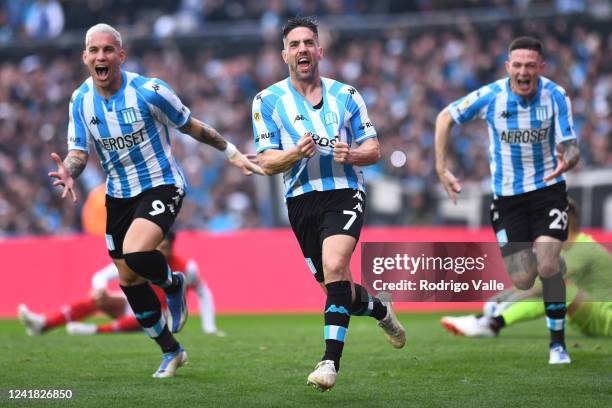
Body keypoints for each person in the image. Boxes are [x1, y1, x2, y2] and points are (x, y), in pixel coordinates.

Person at [49, 23, 262, 378]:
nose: (101, 56)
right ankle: (171, 350)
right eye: (94, 51)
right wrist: (71, 170)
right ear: (85, 57)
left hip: (161, 185)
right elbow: (78, 151)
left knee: (136, 252)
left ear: (121, 55)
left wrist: (231, 152)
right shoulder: (80, 100)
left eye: (107, 50)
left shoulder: (150, 92)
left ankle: (172, 284)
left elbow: (191, 126)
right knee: (129, 280)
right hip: (118, 195)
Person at [251, 16, 405, 392]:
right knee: (339, 292)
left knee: (336, 266)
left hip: (343, 191)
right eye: (295, 44)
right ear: (284, 54)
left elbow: (374, 149)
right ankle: (380, 309)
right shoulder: (267, 100)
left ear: (319, 51)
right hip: (301, 201)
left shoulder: (347, 95)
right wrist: (293, 154)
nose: (302, 49)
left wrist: (351, 154)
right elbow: (266, 162)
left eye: (309, 43)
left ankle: (329, 363)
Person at [435, 36, 580, 364]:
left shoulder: (556, 96)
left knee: (546, 265)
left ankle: (557, 345)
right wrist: (441, 169)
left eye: (531, 65)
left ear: (540, 68)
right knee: (523, 278)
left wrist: (568, 159)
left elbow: (571, 145)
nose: (524, 71)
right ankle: (552, 266)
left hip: (548, 192)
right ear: (507, 67)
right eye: (518, 65)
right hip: (508, 199)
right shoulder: (491, 97)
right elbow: (445, 117)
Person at [441, 200, 612, 338]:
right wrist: (505, 297)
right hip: (591, 320)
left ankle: (491, 323)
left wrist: (504, 300)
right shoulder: (570, 248)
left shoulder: (585, 248)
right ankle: (488, 321)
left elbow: (541, 284)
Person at [18, 231, 224, 337]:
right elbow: (101, 275)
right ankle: (43, 325)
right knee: (98, 299)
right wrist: (99, 289)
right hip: (133, 306)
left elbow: (204, 292)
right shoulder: (141, 258)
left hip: (161, 316)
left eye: (165, 246)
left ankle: (91, 331)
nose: (160, 250)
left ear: (172, 246)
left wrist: (209, 327)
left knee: (153, 314)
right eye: (157, 244)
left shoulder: (186, 267)